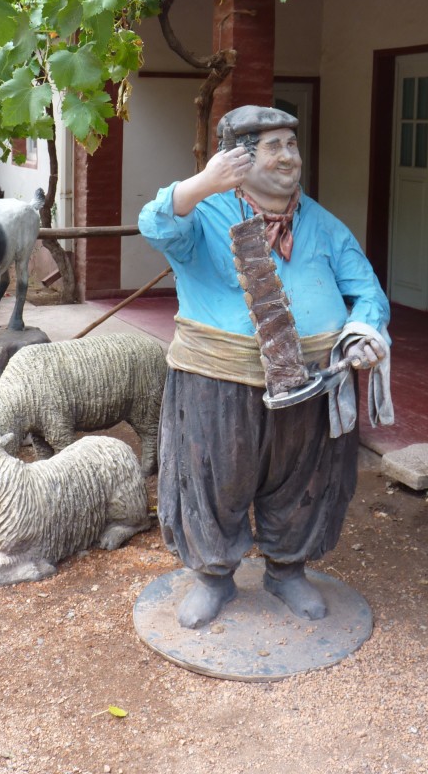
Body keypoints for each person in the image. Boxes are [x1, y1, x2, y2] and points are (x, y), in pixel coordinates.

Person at [138, 105, 393, 630]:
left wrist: (365, 332)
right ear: (238, 156)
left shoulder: (323, 225)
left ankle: (287, 569)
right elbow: (155, 223)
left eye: (292, 145)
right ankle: (213, 576)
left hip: (312, 383)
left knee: (304, 480)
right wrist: (201, 184)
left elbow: (367, 292)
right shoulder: (205, 215)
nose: (288, 157)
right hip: (218, 380)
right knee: (214, 478)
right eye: (273, 146)